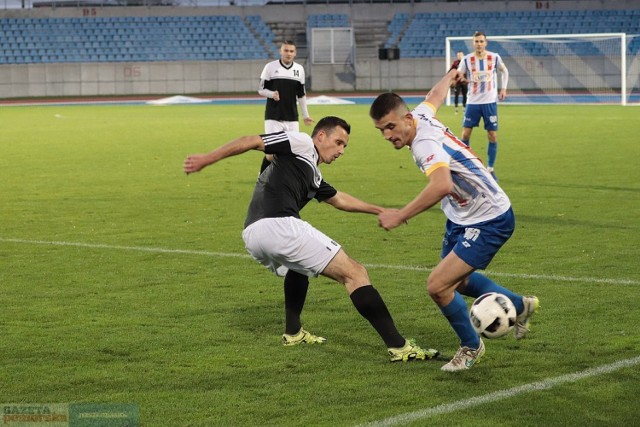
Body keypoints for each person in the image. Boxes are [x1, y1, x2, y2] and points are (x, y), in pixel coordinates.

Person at [183, 116, 439, 363]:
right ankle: (399, 347)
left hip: (253, 233)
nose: (341, 151)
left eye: (345, 146)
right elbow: (251, 140)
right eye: (338, 142)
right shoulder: (302, 142)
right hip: (279, 226)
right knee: (355, 273)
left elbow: (339, 199)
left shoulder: (312, 173)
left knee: (299, 268)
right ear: (320, 136)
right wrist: (208, 158)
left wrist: (380, 210)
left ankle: (293, 333)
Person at [369, 69, 538, 372]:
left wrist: (400, 215)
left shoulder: (424, 146)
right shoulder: (419, 115)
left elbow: (442, 186)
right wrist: (450, 75)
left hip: (489, 217)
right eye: (381, 130)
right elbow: (433, 97)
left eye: (391, 126)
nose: (387, 135)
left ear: (406, 119)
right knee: (456, 282)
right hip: (462, 214)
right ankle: (520, 305)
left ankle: (471, 346)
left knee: (438, 286)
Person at [455, 31, 509, 181]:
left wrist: (503, 88)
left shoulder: (495, 57)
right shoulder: (467, 60)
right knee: (465, 134)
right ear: (473, 43)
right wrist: (456, 77)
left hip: (490, 102)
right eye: (476, 41)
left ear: (486, 43)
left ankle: (490, 169)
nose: (479, 44)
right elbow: (458, 73)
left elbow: (505, 71)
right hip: (473, 102)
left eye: (481, 41)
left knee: (492, 135)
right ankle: (466, 167)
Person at [257, 40, 314, 174]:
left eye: (291, 51)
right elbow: (260, 89)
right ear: (281, 51)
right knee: (271, 153)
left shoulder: (299, 69)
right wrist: (271, 94)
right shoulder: (270, 67)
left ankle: (285, 178)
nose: (288, 53)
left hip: (292, 118)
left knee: (292, 151)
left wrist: (305, 115)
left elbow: (301, 94)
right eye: (286, 50)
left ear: (295, 53)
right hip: (273, 117)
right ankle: (262, 176)